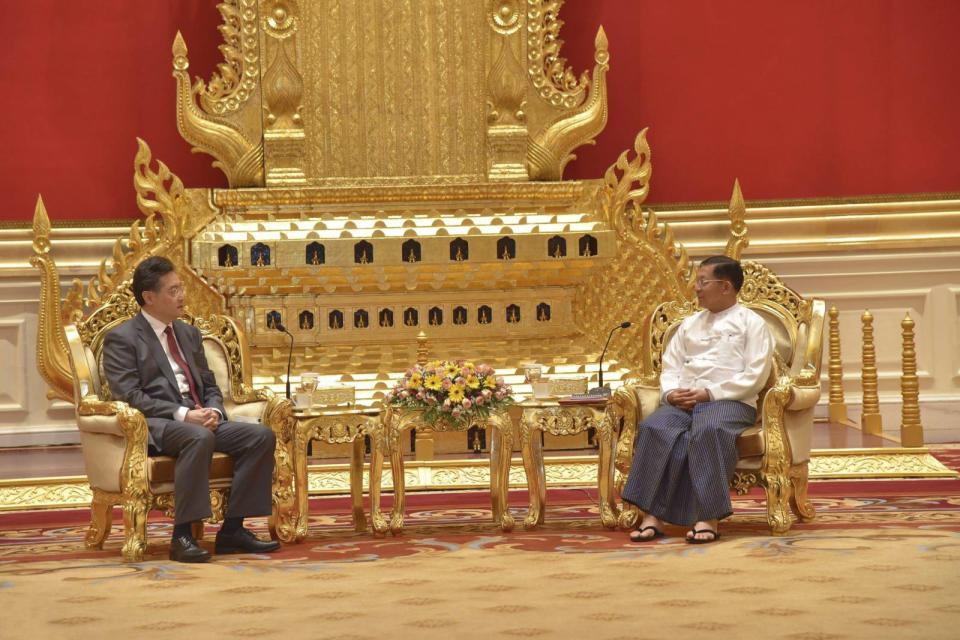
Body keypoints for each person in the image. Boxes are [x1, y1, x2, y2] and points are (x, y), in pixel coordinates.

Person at [103, 256, 281, 562]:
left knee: (260, 436)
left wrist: (214, 411)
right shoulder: (122, 338)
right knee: (197, 437)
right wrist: (185, 415)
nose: (182, 296)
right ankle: (182, 536)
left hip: (200, 419)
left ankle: (233, 530)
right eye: (173, 291)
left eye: (181, 288)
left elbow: (210, 386)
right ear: (149, 297)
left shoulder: (188, 333)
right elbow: (130, 395)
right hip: (158, 424)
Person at [621, 256, 774, 544]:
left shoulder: (752, 324)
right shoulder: (689, 324)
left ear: (726, 287)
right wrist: (670, 393)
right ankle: (653, 516)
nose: (696, 288)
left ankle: (708, 517)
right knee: (655, 427)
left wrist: (710, 393)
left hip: (729, 402)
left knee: (708, 431)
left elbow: (756, 374)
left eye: (703, 282)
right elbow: (671, 367)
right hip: (684, 401)